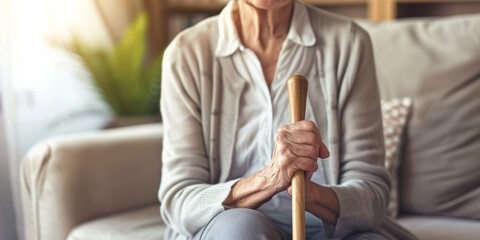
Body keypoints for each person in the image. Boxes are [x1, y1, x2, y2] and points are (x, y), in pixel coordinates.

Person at [159, 0, 416, 239]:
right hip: (233, 229)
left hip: (331, 231)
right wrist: (269, 178)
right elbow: (179, 201)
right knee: (242, 230)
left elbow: (372, 198)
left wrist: (310, 193)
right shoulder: (187, 53)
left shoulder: (349, 42)